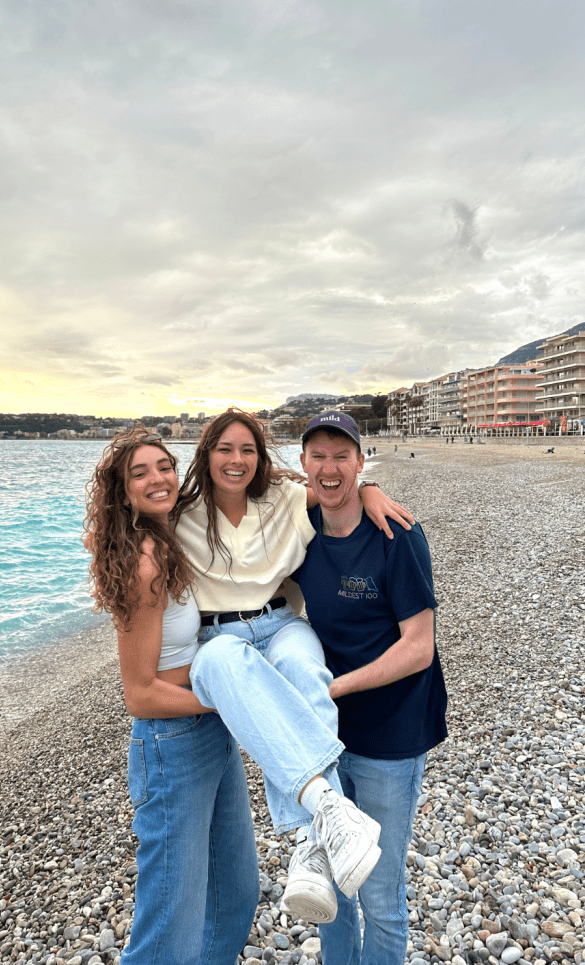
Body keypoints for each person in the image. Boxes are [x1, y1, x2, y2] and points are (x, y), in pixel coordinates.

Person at [174, 409, 415, 923]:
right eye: (225, 449)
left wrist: (370, 489)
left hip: (282, 622)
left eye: (247, 450)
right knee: (216, 659)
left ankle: (310, 844)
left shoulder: (282, 498)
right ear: (206, 454)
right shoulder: (182, 513)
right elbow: (130, 517)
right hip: (220, 633)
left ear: (261, 458)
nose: (236, 461)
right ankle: (329, 816)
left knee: (307, 675)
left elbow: (336, 486)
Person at [84, 430, 260, 965]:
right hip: (171, 743)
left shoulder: (168, 534)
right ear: (123, 490)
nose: (158, 478)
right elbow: (138, 695)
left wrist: (361, 489)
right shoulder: (143, 562)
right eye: (140, 473)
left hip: (210, 732)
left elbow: (234, 490)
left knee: (236, 894)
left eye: (164, 466)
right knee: (169, 926)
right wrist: (224, 700)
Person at [292, 412, 448, 965]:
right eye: (318, 456)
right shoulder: (302, 526)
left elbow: (418, 647)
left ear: (362, 461)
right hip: (328, 736)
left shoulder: (396, 535)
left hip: (390, 731)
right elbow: (242, 487)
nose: (329, 468)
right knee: (330, 886)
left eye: (342, 456)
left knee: (380, 892)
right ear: (302, 463)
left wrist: (334, 688)